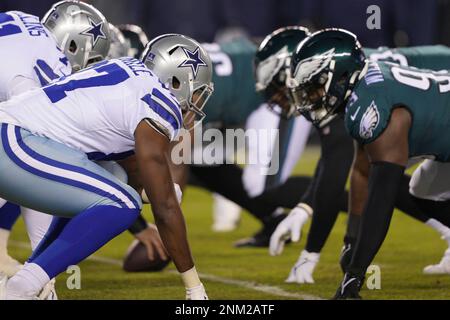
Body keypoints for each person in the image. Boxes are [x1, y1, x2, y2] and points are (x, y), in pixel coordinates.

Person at [0, 34, 213, 300]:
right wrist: (194, 287)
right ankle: (22, 287)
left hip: (17, 139)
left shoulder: (126, 72)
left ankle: (31, 280)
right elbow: (166, 207)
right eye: (197, 92)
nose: (196, 101)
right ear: (178, 81)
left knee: (112, 178)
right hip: (15, 142)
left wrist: (153, 192)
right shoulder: (161, 103)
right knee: (123, 203)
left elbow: (127, 171)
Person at [258, 28, 450, 284]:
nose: (286, 96)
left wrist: (311, 252)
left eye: (280, 86)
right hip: (421, 108)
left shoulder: (349, 86)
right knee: (411, 184)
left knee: (387, 175)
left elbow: (336, 171)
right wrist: (344, 237)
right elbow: (350, 168)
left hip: (435, 94)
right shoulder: (343, 74)